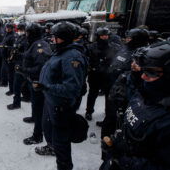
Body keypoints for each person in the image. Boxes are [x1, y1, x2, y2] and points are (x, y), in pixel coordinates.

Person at [101, 41, 170, 170]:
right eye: (143, 70)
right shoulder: (145, 91)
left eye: (151, 73)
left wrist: (123, 160)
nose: (143, 76)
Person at [37, 22, 88, 170]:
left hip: (62, 106)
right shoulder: (60, 51)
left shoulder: (72, 56)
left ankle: (64, 166)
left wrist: (46, 86)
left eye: (55, 37)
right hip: (52, 101)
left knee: (61, 143)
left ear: (64, 38)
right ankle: (51, 148)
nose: (52, 40)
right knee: (50, 130)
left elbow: (71, 88)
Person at [19, 23, 51, 145]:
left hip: (39, 82)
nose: (26, 34)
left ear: (32, 33)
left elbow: (40, 67)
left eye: (27, 32)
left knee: (39, 108)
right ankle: (34, 118)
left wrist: (24, 70)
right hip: (32, 81)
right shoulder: (33, 43)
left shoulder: (40, 45)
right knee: (35, 104)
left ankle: (37, 135)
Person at [85, 27, 120, 121]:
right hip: (95, 75)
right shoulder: (91, 47)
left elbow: (118, 60)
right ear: (98, 36)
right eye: (102, 35)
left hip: (108, 75)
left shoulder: (115, 47)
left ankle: (108, 112)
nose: (104, 37)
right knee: (92, 94)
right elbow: (86, 59)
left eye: (106, 35)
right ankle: (89, 111)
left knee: (109, 96)